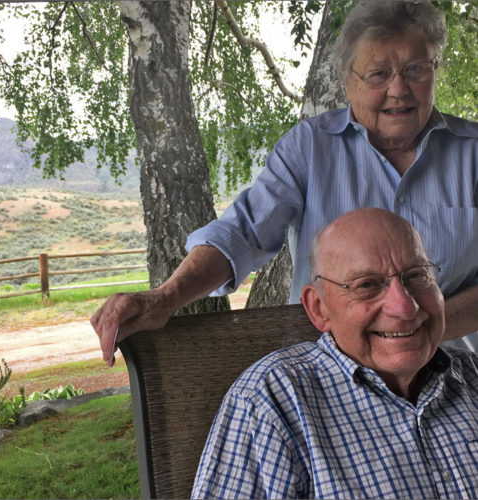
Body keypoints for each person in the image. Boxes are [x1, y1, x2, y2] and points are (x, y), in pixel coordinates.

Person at [91, 0, 478, 366]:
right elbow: (243, 232)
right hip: (329, 375)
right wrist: (166, 297)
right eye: (379, 74)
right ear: (348, 82)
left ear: (435, 70)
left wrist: (422, 324)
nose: (399, 89)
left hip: (457, 376)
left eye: (415, 69)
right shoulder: (310, 146)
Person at [191, 208, 478, 499]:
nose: (405, 307)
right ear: (319, 309)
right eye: (367, 285)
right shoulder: (272, 401)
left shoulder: (472, 377)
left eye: (417, 275)